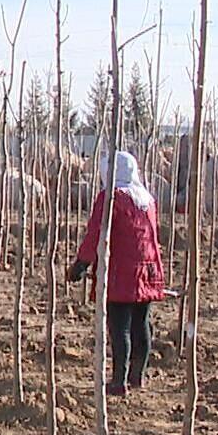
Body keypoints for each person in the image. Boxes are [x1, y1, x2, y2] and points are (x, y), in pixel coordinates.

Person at [69, 150, 166, 396]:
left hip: (120, 272)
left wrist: (81, 264)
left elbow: (96, 234)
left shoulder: (111, 197)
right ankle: (137, 376)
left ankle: (118, 381)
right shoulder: (147, 200)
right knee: (141, 323)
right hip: (148, 270)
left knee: (119, 327)